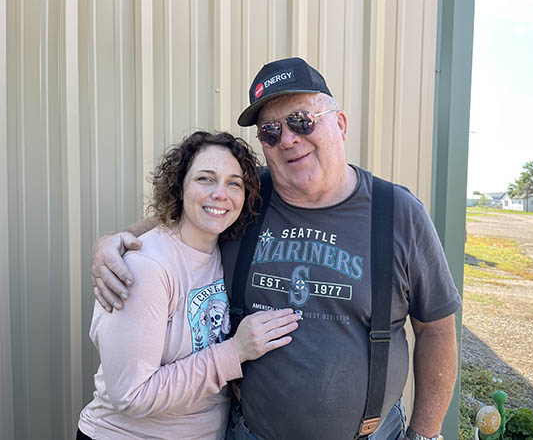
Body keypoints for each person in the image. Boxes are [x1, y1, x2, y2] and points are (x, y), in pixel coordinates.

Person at [91, 58, 461, 440]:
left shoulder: (398, 212)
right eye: (270, 131)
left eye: (302, 121)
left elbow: (436, 329)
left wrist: (426, 434)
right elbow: (188, 210)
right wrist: (115, 241)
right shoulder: (246, 198)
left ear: (341, 124)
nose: (287, 139)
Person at [78, 131, 300, 440]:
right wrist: (235, 352)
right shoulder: (146, 266)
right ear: (179, 186)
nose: (220, 193)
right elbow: (131, 394)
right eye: (205, 179)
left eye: (234, 183)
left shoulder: (227, 249)